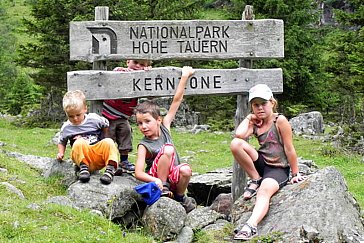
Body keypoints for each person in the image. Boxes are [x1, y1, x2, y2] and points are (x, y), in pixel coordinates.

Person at [230, 84, 306, 240]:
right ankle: (255, 178)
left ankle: (251, 226)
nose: (260, 108)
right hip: (262, 163)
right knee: (235, 144)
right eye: (255, 105)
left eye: (263, 103)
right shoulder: (255, 123)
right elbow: (239, 135)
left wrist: (295, 173)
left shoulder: (280, 121)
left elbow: (289, 148)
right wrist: (248, 117)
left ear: (272, 102)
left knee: (264, 191)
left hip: (278, 169)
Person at [134, 66, 197, 213]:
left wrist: (185, 76)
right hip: (157, 181)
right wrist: (155, 180)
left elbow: (176, 101)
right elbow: (138, 172)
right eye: (139, 123)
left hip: (173, 178)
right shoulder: (144, 145)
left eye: (147, 121)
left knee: (186, 170)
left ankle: (180, 197)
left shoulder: (165, 128)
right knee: (168, 149)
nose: (143, 126)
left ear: (158, 120)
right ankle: (164, 187)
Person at [57, 90, 119, 185]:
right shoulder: (67, 127)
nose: (75, 119)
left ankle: (110, 169)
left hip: (97, 154)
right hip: (81, 157)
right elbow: (62, 141)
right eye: (71, 116)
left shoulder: (94, 119)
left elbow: (105, 125)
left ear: (85, 109)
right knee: (79, 142)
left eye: (78, 115)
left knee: (109, 142)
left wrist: (104, 138)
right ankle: (83, 169)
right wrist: (61, 153)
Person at [102, 59, 152, 175]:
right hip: (107, 114)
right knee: (109, 138)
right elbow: (114, 74)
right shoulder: (119, 71)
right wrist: (127, 72)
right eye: (135, 62)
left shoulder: (140, 79)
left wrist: (148, 73)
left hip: (123, 117)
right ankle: (110, 163)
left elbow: (150, 94)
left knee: (126, 133)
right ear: (127, 62)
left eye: (142, 65)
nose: (138, 66)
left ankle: (124, 160)